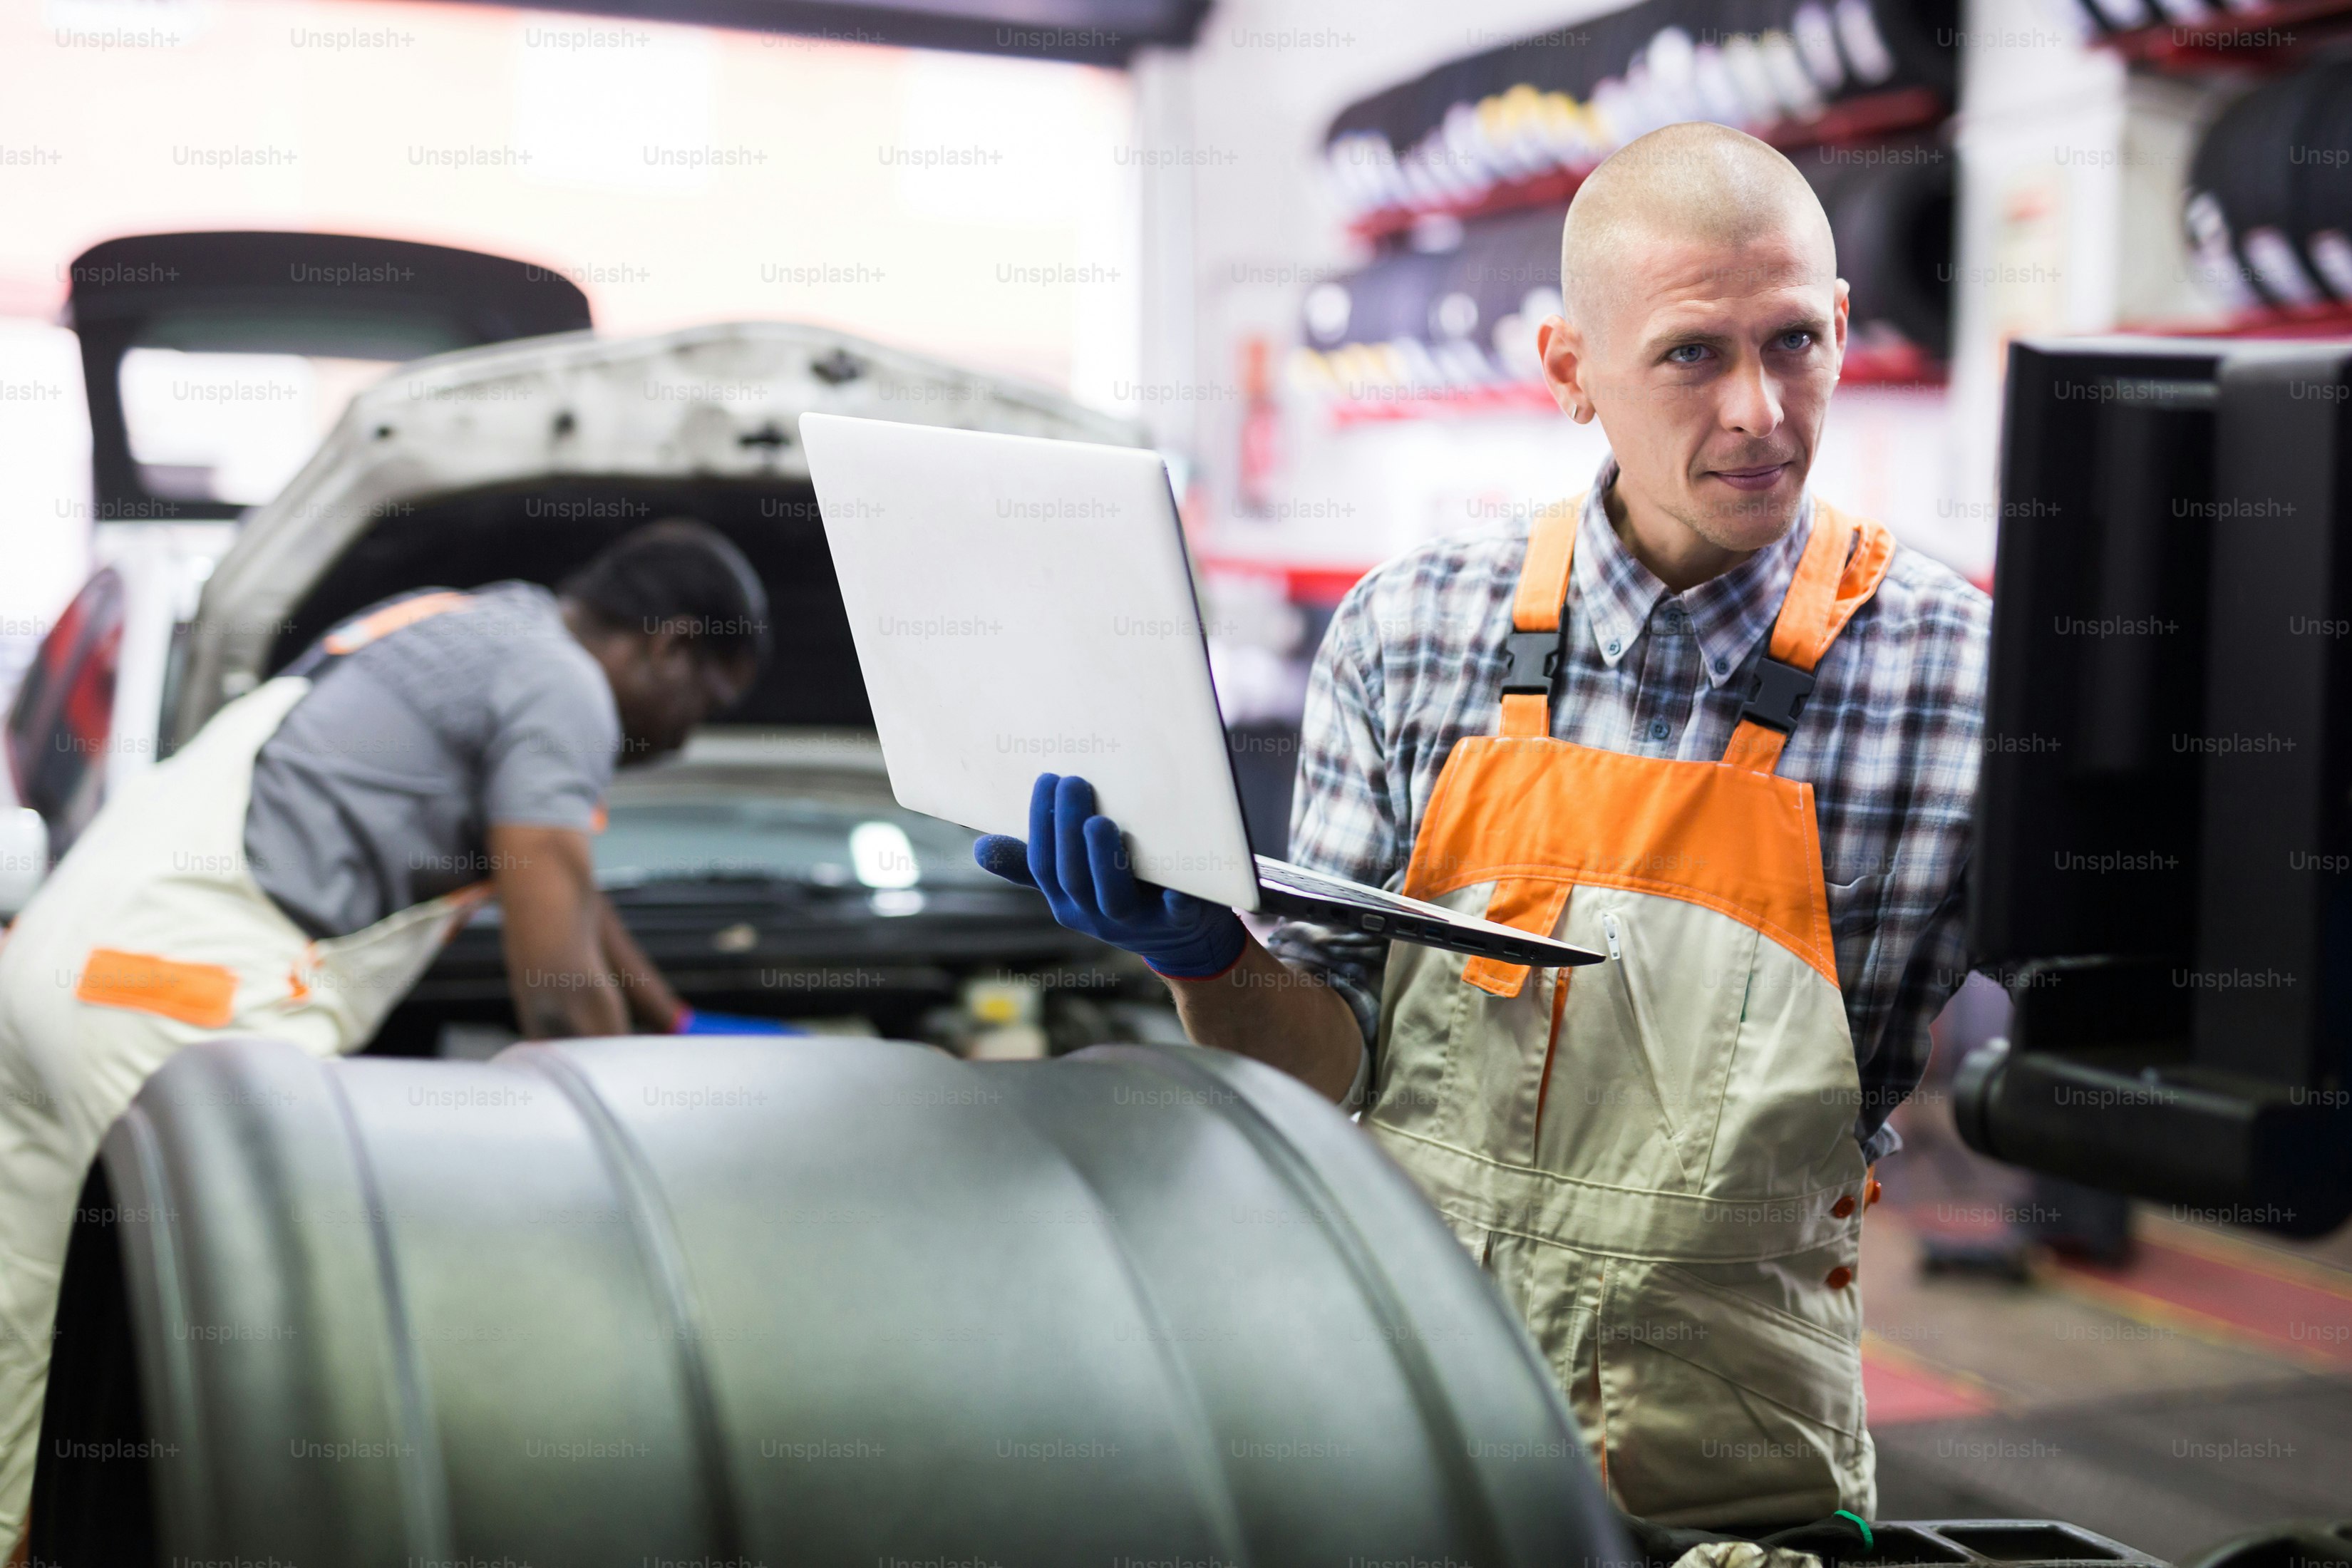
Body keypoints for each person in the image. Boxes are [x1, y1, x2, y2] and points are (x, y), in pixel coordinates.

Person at [976, 123, 1989, 1527]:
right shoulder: (1409, 633)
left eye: (1796, 341)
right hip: (1396, 1424)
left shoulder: (1962, 679)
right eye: (1695, 352)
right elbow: (1326, 1067)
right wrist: (1207, 956)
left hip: (1731, 1485)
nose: (1761, 407)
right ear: (1571, 372)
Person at [0, 517, 770, 1552]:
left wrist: (670, 1019)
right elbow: (552, 987)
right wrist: (645, 1165)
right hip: (176, 1007)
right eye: (706, 702)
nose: (686, 738)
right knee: (278, 1366)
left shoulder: (464, 624)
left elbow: (566, 887)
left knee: (27, 1343)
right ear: (672, 643)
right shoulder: (566, 688)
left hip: (59, 976)